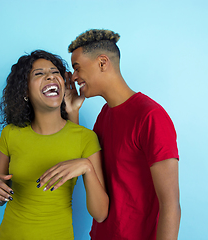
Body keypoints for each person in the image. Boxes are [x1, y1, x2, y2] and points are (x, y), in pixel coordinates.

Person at [0, 50, 108, 240]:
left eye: (55, 72)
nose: (50, 76)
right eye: (39, 73)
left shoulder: (85, 138)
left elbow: (100, 213)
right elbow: (0, 198)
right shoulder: (11, 133)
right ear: (25, 91)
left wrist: (87, 167)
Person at [64, 29, 181, 240]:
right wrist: (73, 113)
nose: (74, 77)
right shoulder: (104, 116)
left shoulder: (151, 117)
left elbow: (170, 205)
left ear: (102, 63)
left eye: (77, 67)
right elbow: (86, 169)